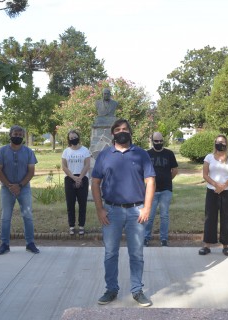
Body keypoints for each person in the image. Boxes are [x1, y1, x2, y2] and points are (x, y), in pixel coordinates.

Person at [91, 119, 155, 307]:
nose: (122, 131)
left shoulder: (141, 154)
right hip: (111, 211)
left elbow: (150, 181)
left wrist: (147, 208)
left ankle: (137, 290)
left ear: (130, 132)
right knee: (110, 253)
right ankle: (111, 290)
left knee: (137, 254)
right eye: (118, 129)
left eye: (125, 129)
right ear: (113, 134)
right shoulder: (104, 155)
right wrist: (100, 209)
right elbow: (95, 183)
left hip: (137, 211)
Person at [0, 125, 39, 255]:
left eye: (20, 135)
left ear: (23, 137)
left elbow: (31, 171)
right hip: (6, 189)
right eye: (15, 134)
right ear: (10, 135)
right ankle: (4, 244)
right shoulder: (2, 151)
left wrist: (19, 185)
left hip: (24, 189)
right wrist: (10, 186)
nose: (17, 137)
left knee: (28, 216)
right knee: (5, 217)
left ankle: (30, 243)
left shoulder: (29, 152)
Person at [198, 134, 228, 257]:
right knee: (210, 218)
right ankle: (207, 245)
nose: (220, 144)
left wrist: (223, 186)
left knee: (226, 218)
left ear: (226, 144)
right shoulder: (209, 157)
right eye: (218, 142)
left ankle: (226, 246)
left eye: (223, 142)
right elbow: (205, 174)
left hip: (227, 191)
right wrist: (216, 185)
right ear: (215, 143)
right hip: (212, 191)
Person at [144, 132, 178, 247]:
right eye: (156, 141)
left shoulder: (169, 153)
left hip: (166, 190)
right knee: (150, 215)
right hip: (151, 190)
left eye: (160, 141)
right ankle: (146, 237)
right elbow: (142, 171)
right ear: (152, 140)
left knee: (164, 215)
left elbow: (174, 170)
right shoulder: (147, 154)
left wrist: (168, 179)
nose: (158, 143)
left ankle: (164, 239)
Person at [61, 130, 91, 235]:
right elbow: (64, 167)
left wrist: (80, 177)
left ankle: (81, 225)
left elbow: (87, 165)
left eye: (75, 137)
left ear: (78, 137)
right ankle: (72, 226)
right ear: (69, 139)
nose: (73, 139)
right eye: (71, 138)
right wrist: (73, 177)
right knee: (70, 204)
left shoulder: (85, 150)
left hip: (83, 178)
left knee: (82, 204)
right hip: (70, 178)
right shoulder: (66, 151)